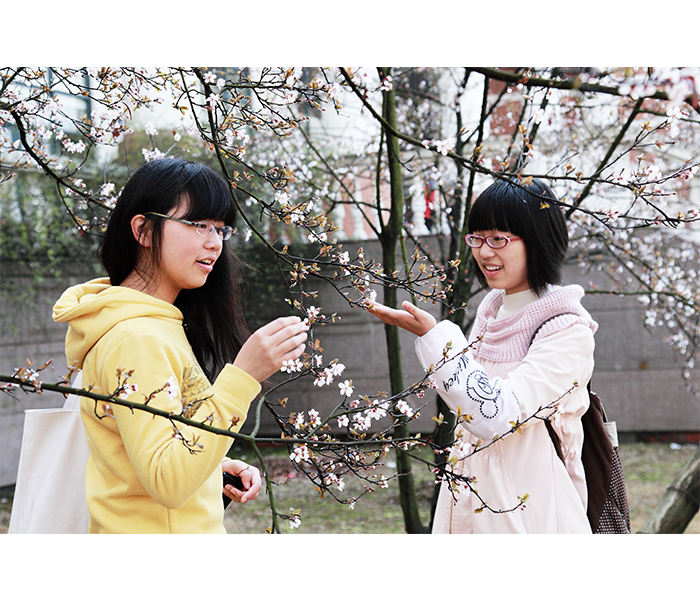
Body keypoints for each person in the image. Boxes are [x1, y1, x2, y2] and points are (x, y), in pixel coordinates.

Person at [53, 158, 308, 533]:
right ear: (143, 230)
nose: (214, 243)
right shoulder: (137, 338)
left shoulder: (156, 324)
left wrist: (212, 471)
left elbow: (147, 458)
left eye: (221, 229)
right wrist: (243, 377)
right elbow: (167, 480)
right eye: (199, 224)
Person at [370, 178, 598, 533]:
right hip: (469, 500)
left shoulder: (567, 330)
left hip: (528, 514)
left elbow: (498, 414)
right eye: (476, 238)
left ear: (538, 239)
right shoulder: (491, 314)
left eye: (498, 239)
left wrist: (436, 339)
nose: (484, 252)